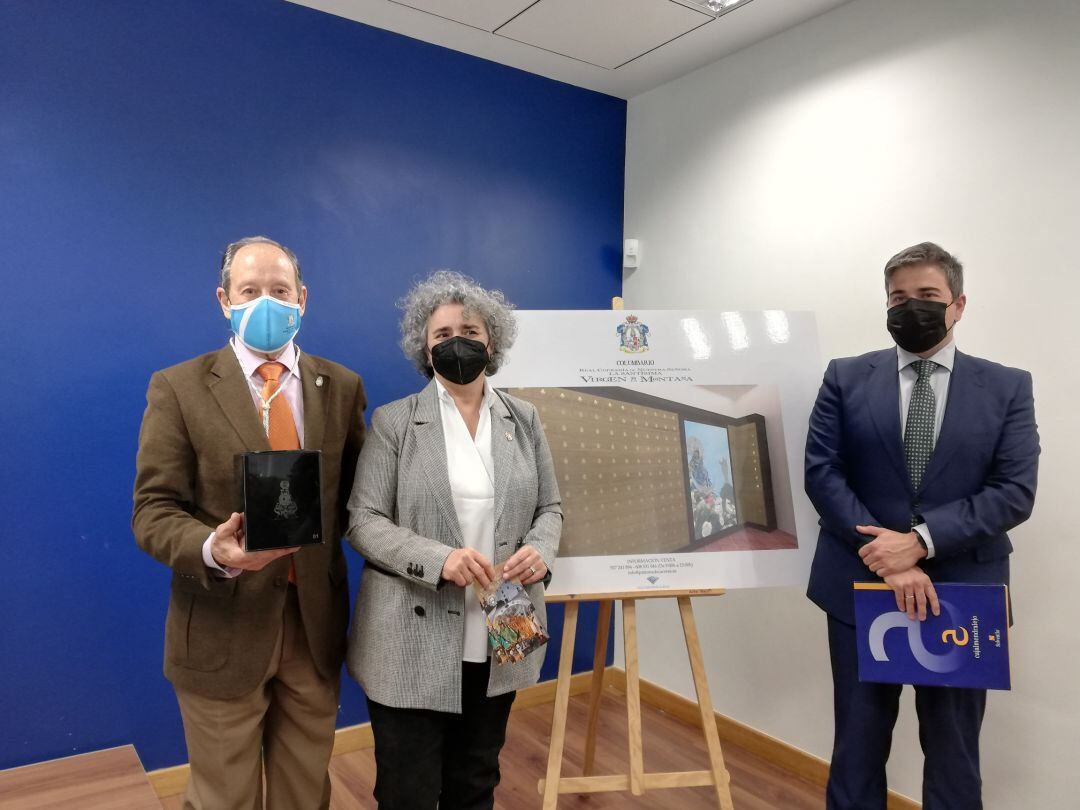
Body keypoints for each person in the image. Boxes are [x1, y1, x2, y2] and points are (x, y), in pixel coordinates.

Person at [132, 236, 366, 810]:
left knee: (304, 790)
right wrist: (211, 549)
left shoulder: (341, 388)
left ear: (303, 298)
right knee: (223, 797)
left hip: (313, 626)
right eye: (250, 290)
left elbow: (358, 505)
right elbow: (153, 510)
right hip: (220, 625)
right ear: (224, 299)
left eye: (280, 290)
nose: (267, 301)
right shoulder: (179, 388)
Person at [804, 242, 1039, 810]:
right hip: (859, 588)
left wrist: (918, 543)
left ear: (958, 305)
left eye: (927, 296)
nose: (911, 308)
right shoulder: (845, 376)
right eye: (898, 298)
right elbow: (822, 471)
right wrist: (886, 554)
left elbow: (1014, 491)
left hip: (961, 593)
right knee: (857, 746)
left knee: (954, 753)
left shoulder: (1007, 387)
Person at [345, 270, 562, 810]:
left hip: (503, 624)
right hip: (410, 632)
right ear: (424, 347)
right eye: (441, 334)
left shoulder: (524, 419)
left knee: (476, 778)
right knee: (407, 788)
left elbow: (550, 508)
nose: (456, 341)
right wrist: (439, 559)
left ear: (493, 341)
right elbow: (363, 520)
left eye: (469, 329)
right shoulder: (395, 422)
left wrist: (541, 548)